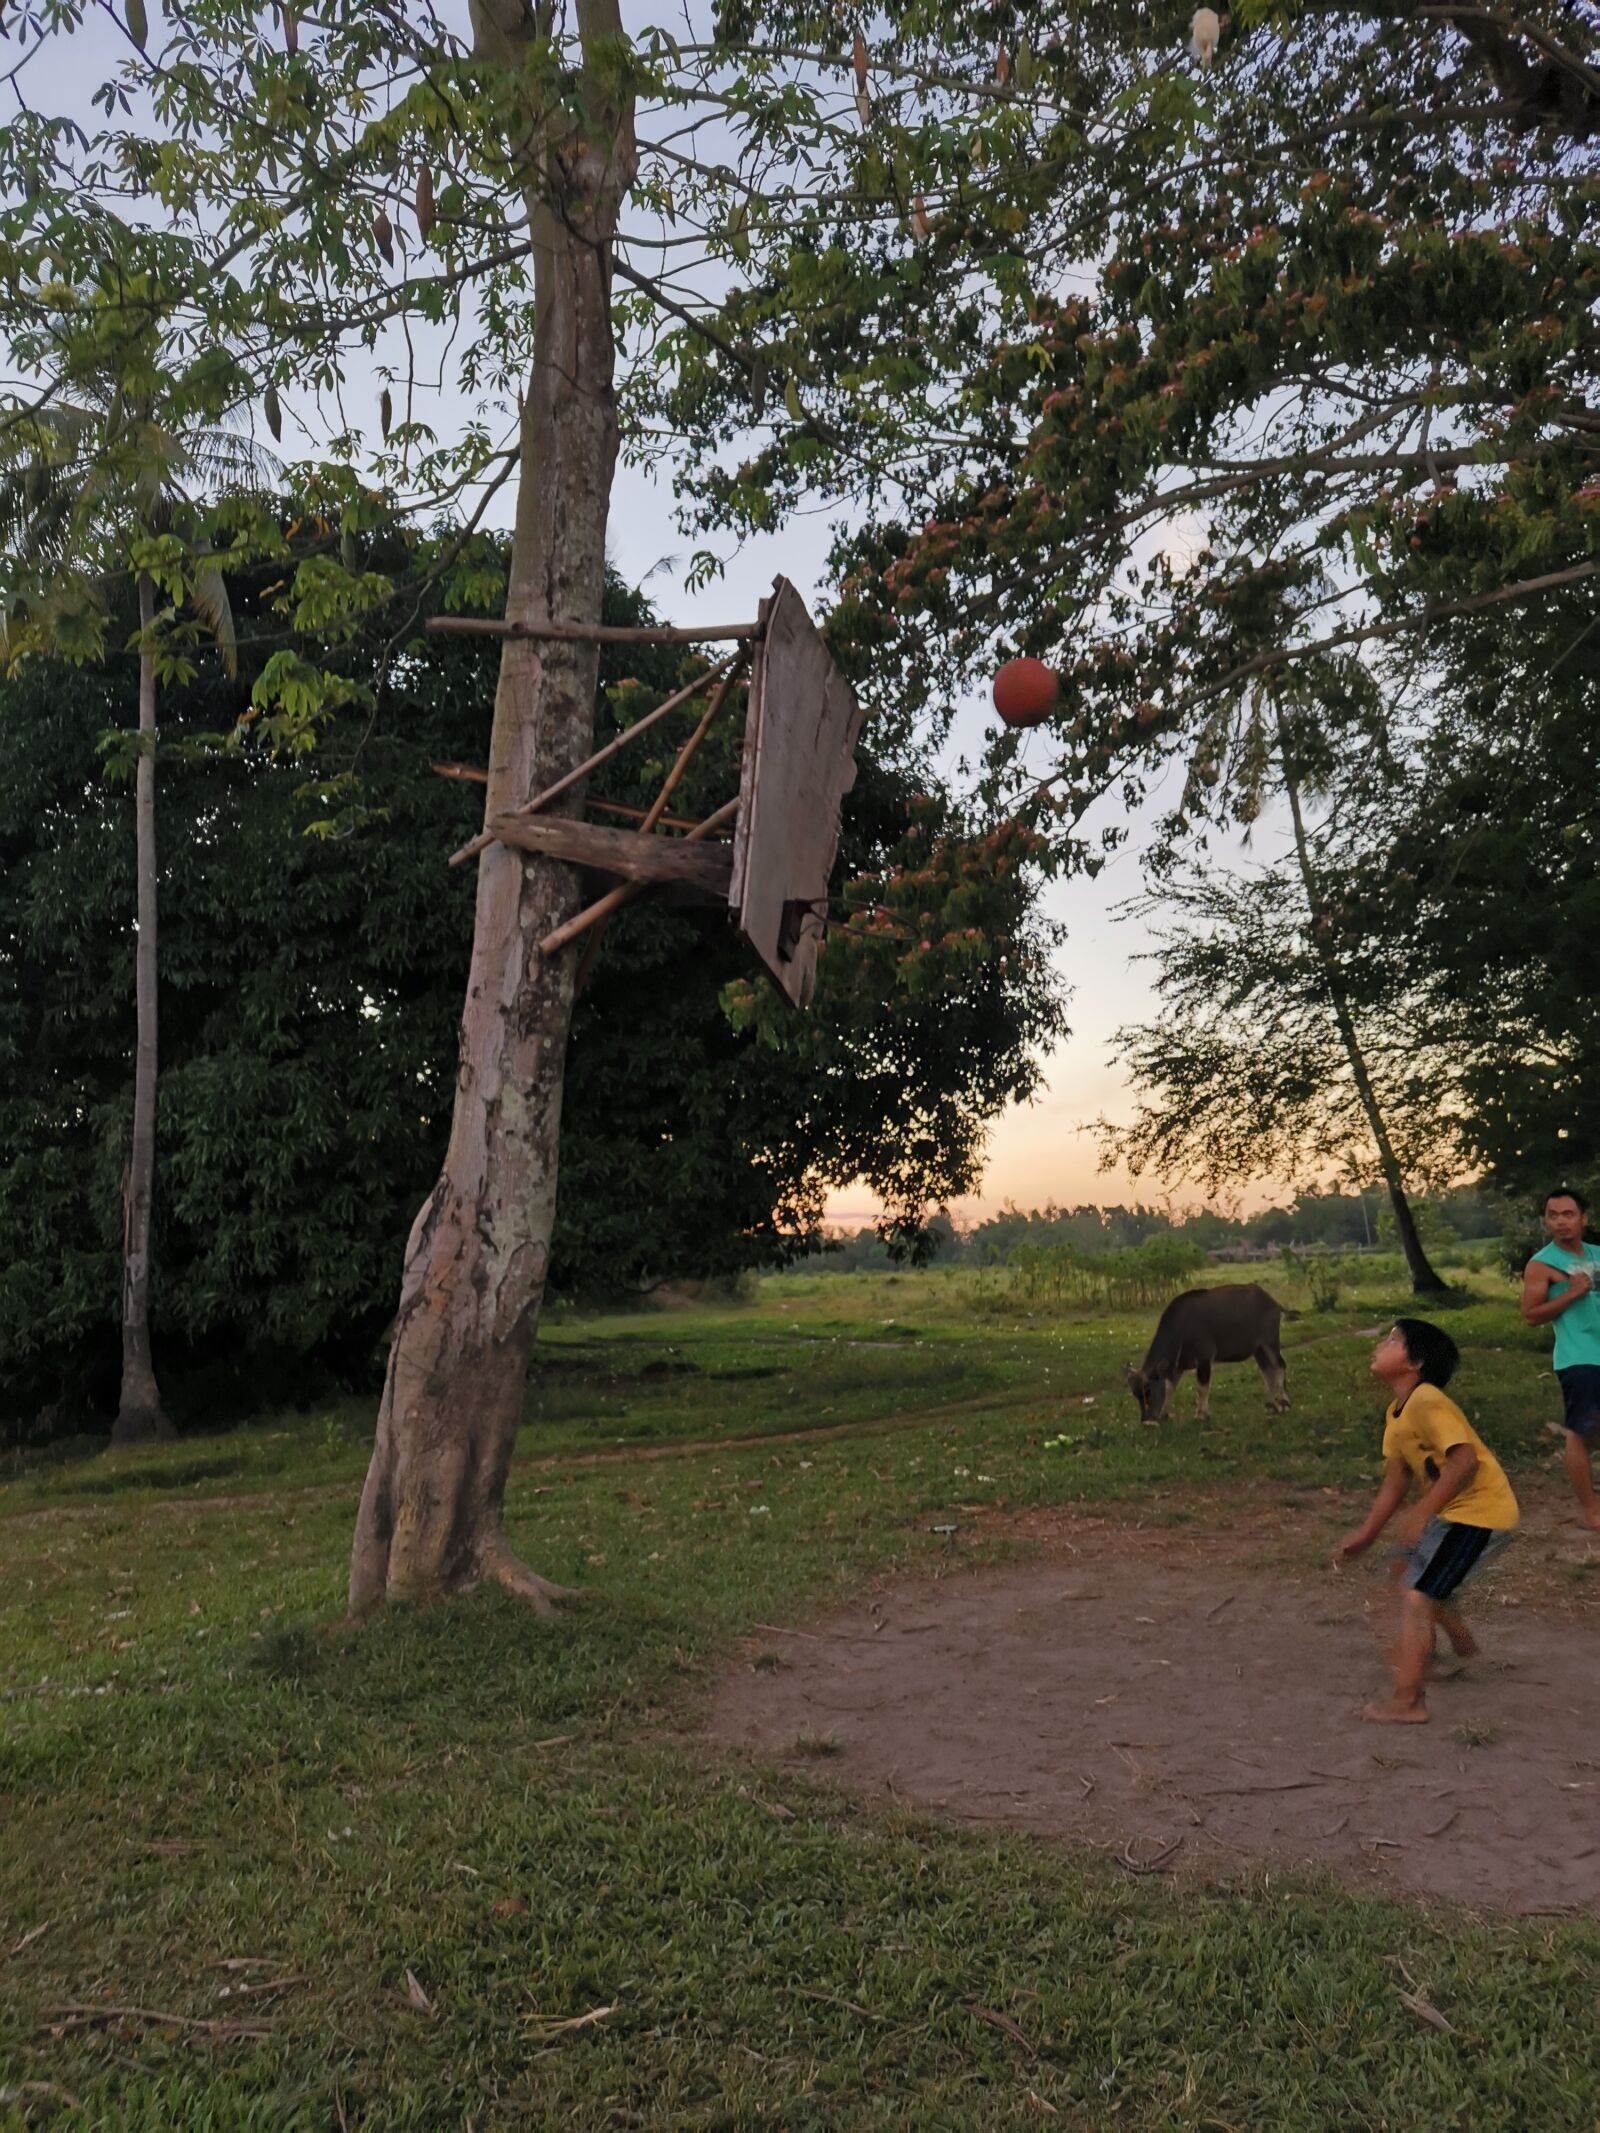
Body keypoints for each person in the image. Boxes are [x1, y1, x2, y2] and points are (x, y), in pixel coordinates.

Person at [1334, 1318, 1519, 1724]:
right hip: (1455, 1512)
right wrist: (1367, 1534)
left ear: (1414, 1362)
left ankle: (1409, 1699)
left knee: (1419, 1595)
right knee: (1408, 1571)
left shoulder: (1427, 1400)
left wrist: (1423, 1513)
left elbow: (1465, 1460)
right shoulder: (1398, 1413)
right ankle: (1452, 1651)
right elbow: (1396, 1482)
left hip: (1480, 1512)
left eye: (1392, 1340)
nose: (1380, 1345)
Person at [1521, 1186, 1600, 1532]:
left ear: (1583, 1218)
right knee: (1581, 1432)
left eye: (1568, 1214)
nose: (1560, 1222)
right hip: (1579, 1357)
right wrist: (1570, 1293)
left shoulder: (1598, 1254)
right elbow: (1531, 1315)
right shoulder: (1542, 1264)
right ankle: (1592, 1511)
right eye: (1553, 1215)